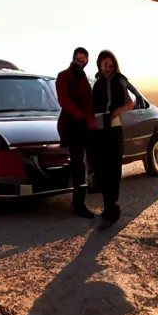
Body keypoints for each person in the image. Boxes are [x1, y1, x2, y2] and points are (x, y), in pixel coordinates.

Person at [91, 50, 134, 229]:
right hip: (99, 130)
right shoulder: (97, 83)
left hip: (114, 129)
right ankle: (108, 209)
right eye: (105, 64)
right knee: (101, 170)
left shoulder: (120, 80)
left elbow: (130, 103)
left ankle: (111, 210)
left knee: (112, 171)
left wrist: (114, 112)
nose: (108, 67)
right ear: (99, 64)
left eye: (111, 64)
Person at [56, 47, 96, 219]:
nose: (81, 61)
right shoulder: (64, 76)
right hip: (72, 124)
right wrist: (82, 116)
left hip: (85, 124)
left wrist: (91, 119)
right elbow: (64, 100)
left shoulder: (83, 77)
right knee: (78, 165)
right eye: (79, 58)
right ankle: (79, 204)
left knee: (89, 160)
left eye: (84, 59)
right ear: (73, 58)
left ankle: (82, 198)